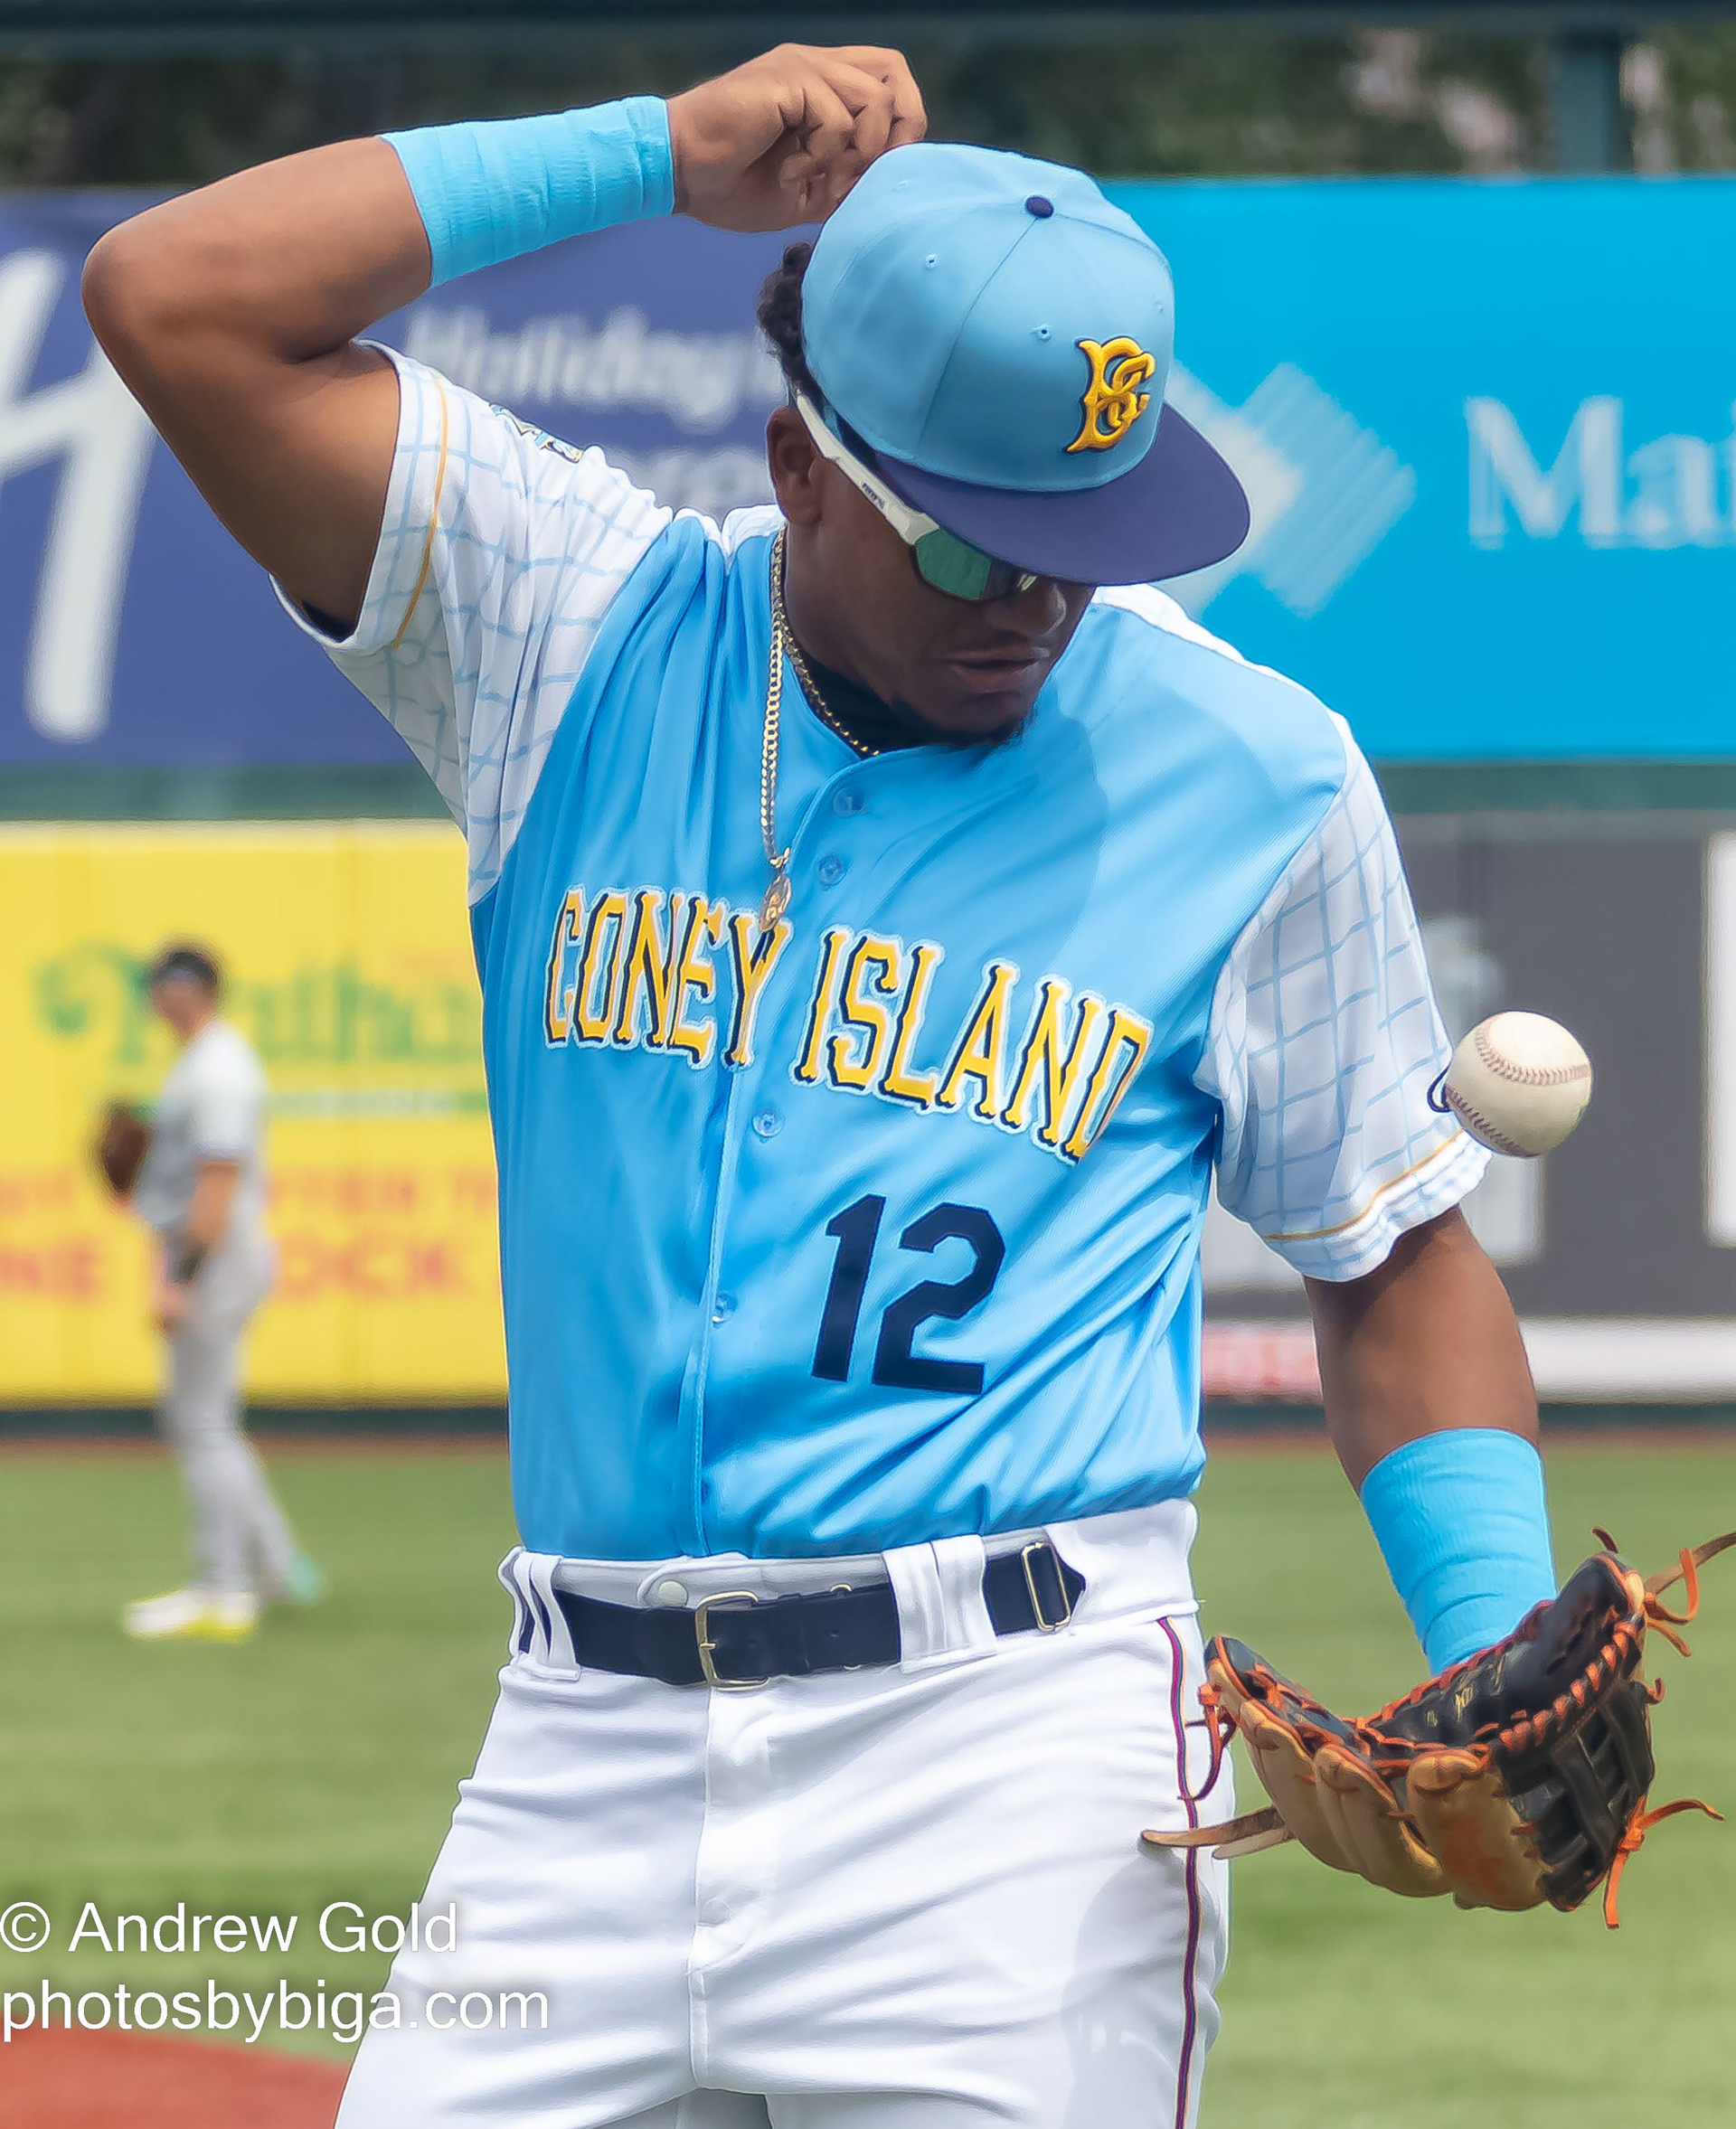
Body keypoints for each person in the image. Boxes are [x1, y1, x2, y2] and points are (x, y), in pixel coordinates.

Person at [82, 46, 1554, 2123]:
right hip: (576, 1745)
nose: (1035, 599)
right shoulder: (568, 625)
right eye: (969, 544)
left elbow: (1389, 1254)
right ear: (797, 465)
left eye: (1082, 536)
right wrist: (655, 157)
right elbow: (177, 297)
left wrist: (1489, 1636)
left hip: (1010, 1754)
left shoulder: (1253, 775)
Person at [122, 943, 320, 1644]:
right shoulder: (201, 1060)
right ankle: (270, 1565)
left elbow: (216, 1180)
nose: (162, 996)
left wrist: (177, 1278)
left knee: (201, 1424)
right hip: (212, 1254)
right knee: (209, 1424)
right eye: (156, 985)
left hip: (216, 1256)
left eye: (174, 983)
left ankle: (224, 1587)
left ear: (201, 988)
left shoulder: (218, 1068)